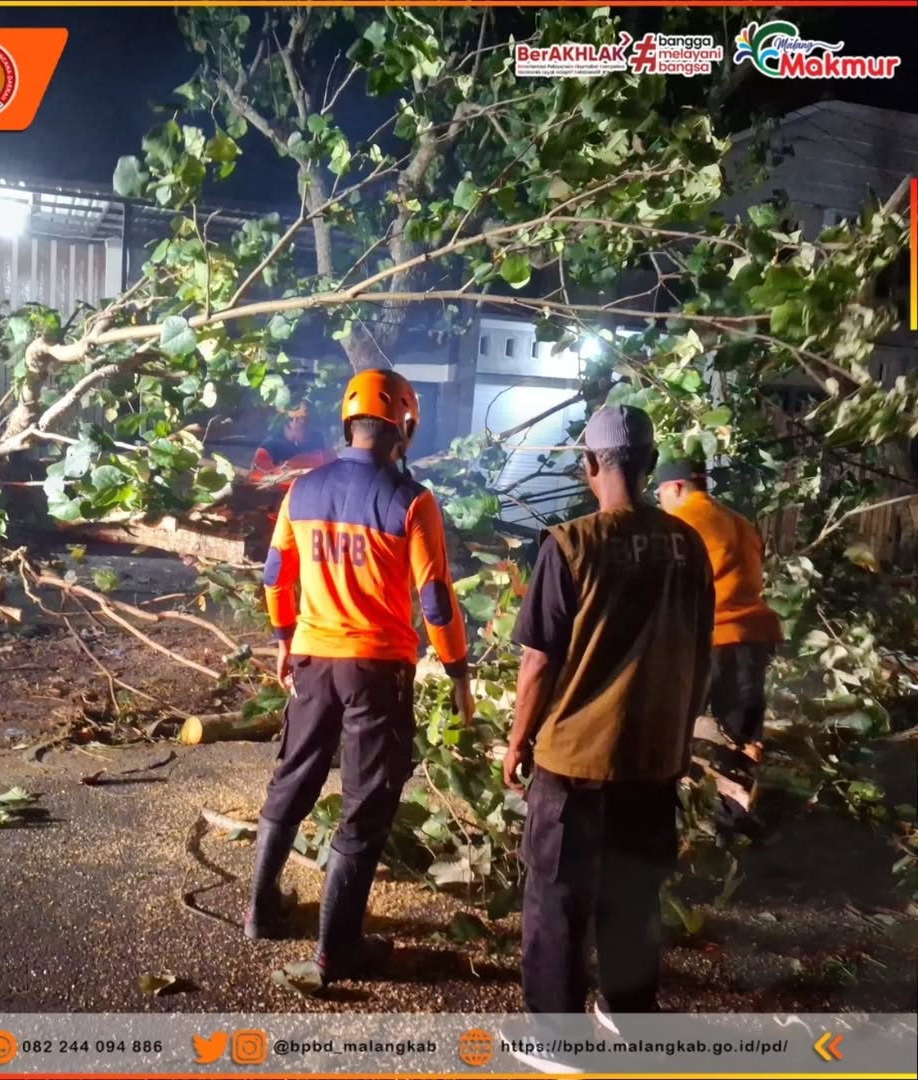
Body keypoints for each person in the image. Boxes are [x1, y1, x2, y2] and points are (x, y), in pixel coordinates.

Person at [501, 406, 715, 1070]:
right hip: (654, 758)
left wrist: (516, 742)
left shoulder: (568, 544)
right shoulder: (690, 548)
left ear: (589, 466)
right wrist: (680, 737)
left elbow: (538, 662)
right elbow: (703, 653)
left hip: (576, 762)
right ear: (651, 466)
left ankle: (559, 1042)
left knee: (558, 898)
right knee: (634, 892)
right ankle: (629, 1019)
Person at [246, 368, 474, 990]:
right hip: (378, 670)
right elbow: (435, 602)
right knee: (366, 804)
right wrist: (457, 673)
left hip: (314, 662)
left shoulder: (302, 490)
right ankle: (336, 952)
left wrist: (285, 641)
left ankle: (261, 910)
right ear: (404, 428)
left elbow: (273, 576)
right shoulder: (413, 502)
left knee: (293, 776)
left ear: (348, 424)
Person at [656, 458, 782, 834]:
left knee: (672, 729)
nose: (660, 501)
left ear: (675, 488)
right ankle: (733, 824)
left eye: (660, 493)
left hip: (710, 639)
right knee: (739, 737)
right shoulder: (740, 523)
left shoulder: (682, 523)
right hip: (753, 636)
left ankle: (670, 819)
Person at [251, 401, 331, 472]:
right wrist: (280, 473)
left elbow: (334, 469)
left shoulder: (318, 439)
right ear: (291, 421)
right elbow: (257, 479)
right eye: (304, 420)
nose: (310, 425)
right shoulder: (269, 448)